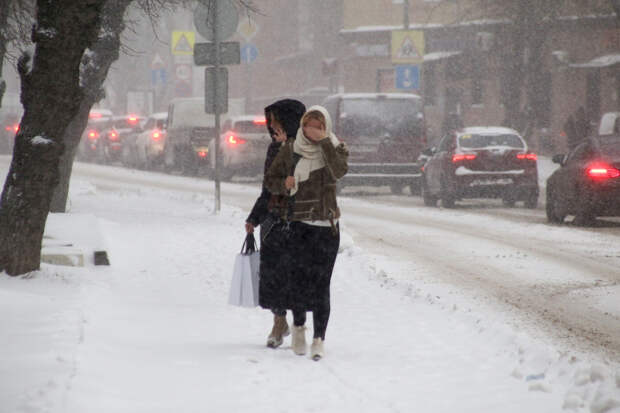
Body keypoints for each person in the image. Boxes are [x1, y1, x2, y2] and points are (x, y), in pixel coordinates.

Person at [264, 106, 348, 360]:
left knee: (322, 285)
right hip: (299, 225)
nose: (312, 130)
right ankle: (298, 327)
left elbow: (338, 171)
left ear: (326, 127)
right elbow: (271, 180)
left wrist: (324, 143)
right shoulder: (291, 149)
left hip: (327, 227)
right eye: (308, 126)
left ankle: (319, 339)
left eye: (318, 126)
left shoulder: (336, 148)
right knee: (299, 283)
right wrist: (284, 183)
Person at [246, 99, 306, 349]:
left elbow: (299, 182)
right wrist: (254, 217)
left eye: (276, 121)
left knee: (295, 276)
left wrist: (286, 148)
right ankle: (278, 321)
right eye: (270, 121)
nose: (271, 126)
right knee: (273, 277)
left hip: (298, 221)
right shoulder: (274, 148)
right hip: (273, 221)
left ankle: (299, 326)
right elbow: (268, 187)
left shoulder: (307, 147)